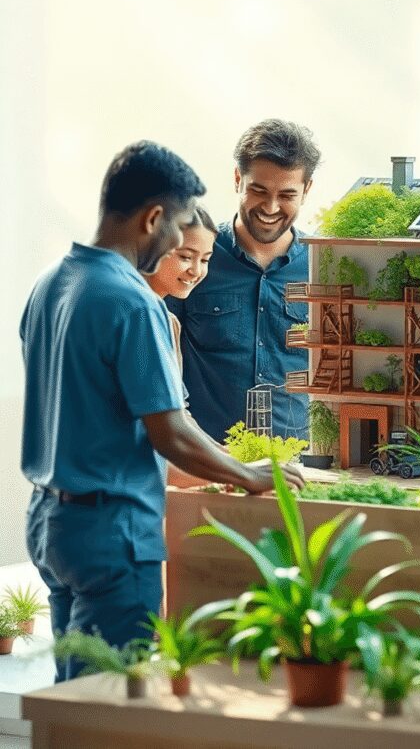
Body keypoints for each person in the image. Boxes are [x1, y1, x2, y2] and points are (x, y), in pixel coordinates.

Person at [20, 141, 305, 681]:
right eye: (176, 229)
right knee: (110, 695)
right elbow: (169, 431)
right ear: (152, 218)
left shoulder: (52, 282)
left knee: (72, 692)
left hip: (50, 521)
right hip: (112, 530)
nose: (180, 242)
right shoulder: (134, 302)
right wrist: (249, 475)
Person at [168, 119, 321, 442]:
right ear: (238, 179)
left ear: (307, 190)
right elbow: (160, 358)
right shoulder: (193, 260)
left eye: (287, 195)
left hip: (302, 466)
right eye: (258, 190)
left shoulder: (326, 269)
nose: (270, 207)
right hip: (208, 464)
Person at [144, 205, 223, 488]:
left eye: (205, 259)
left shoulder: (170, 323)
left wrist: (227, 457)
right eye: (186, 257)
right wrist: (239, 472)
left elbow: (180, 414)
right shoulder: (130, 316)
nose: (196, 270)